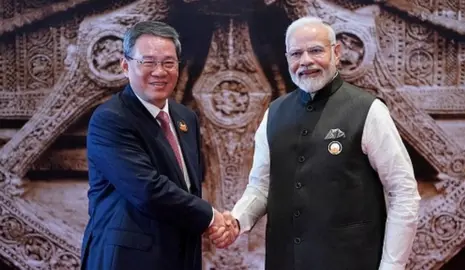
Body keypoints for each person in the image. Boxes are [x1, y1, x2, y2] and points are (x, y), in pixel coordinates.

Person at [210, 16, 421, 270]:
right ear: (287, 58)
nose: (306, 61)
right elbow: (260, 187)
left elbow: (403, 192)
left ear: (337, 53)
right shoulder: (274, 114)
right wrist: (237, 220)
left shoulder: (369, 110)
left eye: (316, 50)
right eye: (297, 53)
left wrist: (392, 266)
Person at [80, 21, 232, 270]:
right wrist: (212, 217)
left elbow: (188, 187)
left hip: (181, 256)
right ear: (125, 66)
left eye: (168, 63)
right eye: (148, 62)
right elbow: (148, 190)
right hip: (127, 260)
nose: (160, 71)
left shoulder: (186, 118)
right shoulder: (111, 118)